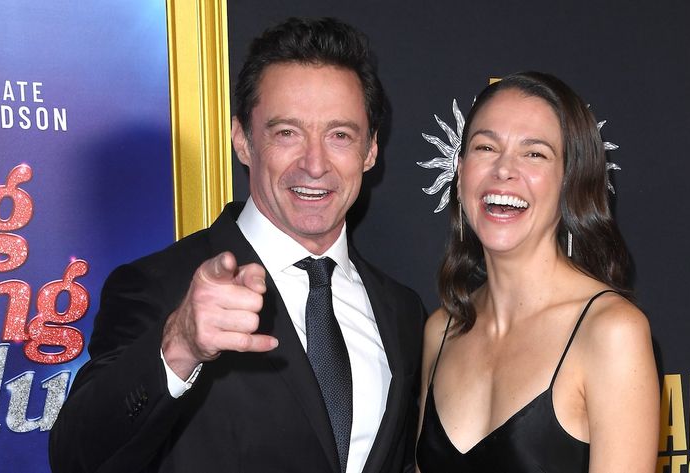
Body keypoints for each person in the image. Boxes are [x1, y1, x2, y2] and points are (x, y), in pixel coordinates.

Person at [49, 17, 425, 473]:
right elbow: (77, 458)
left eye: (339, 135)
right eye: (286, 132)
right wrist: (179, 346)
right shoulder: (158, 286)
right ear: (243, 141)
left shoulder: (402, 312)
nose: (314, 164)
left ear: (370, 152)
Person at [415, 72, 660, 472]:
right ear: (460, 176)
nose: (504, 170)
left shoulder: (611, 332)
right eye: (485, 147)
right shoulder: (441, 330)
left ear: (570, 182)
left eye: (534, 154)